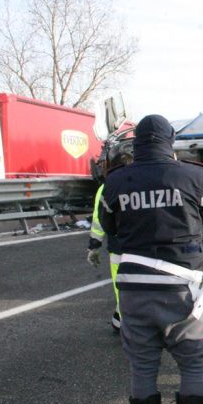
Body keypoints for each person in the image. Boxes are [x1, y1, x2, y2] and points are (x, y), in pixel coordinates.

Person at [100, 114, 203, 404]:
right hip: (183, 290)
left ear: (137, 143)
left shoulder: (116, 181)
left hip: (134, 291)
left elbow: (109, 227)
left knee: (143, 370)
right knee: (191, 366)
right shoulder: (192, 176)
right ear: (169, 141)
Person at [87, 140, 134, 332]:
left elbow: (100, 221)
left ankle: (124, 322)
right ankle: (124, 321)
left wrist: (94, 246)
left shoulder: (107, 187)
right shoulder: (144, 183)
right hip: (143, 248)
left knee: (122, 290)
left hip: (118, 249)